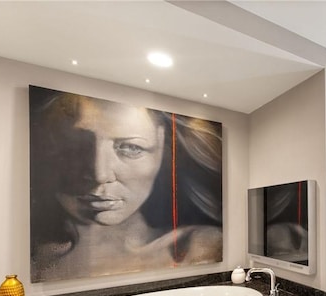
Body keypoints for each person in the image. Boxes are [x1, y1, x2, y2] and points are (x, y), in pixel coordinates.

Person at [29, 86, 223, 282]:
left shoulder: (196, 247)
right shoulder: (33, 260)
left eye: (131, 147)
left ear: (163, 153)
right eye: (75, 148)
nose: (100, 174)